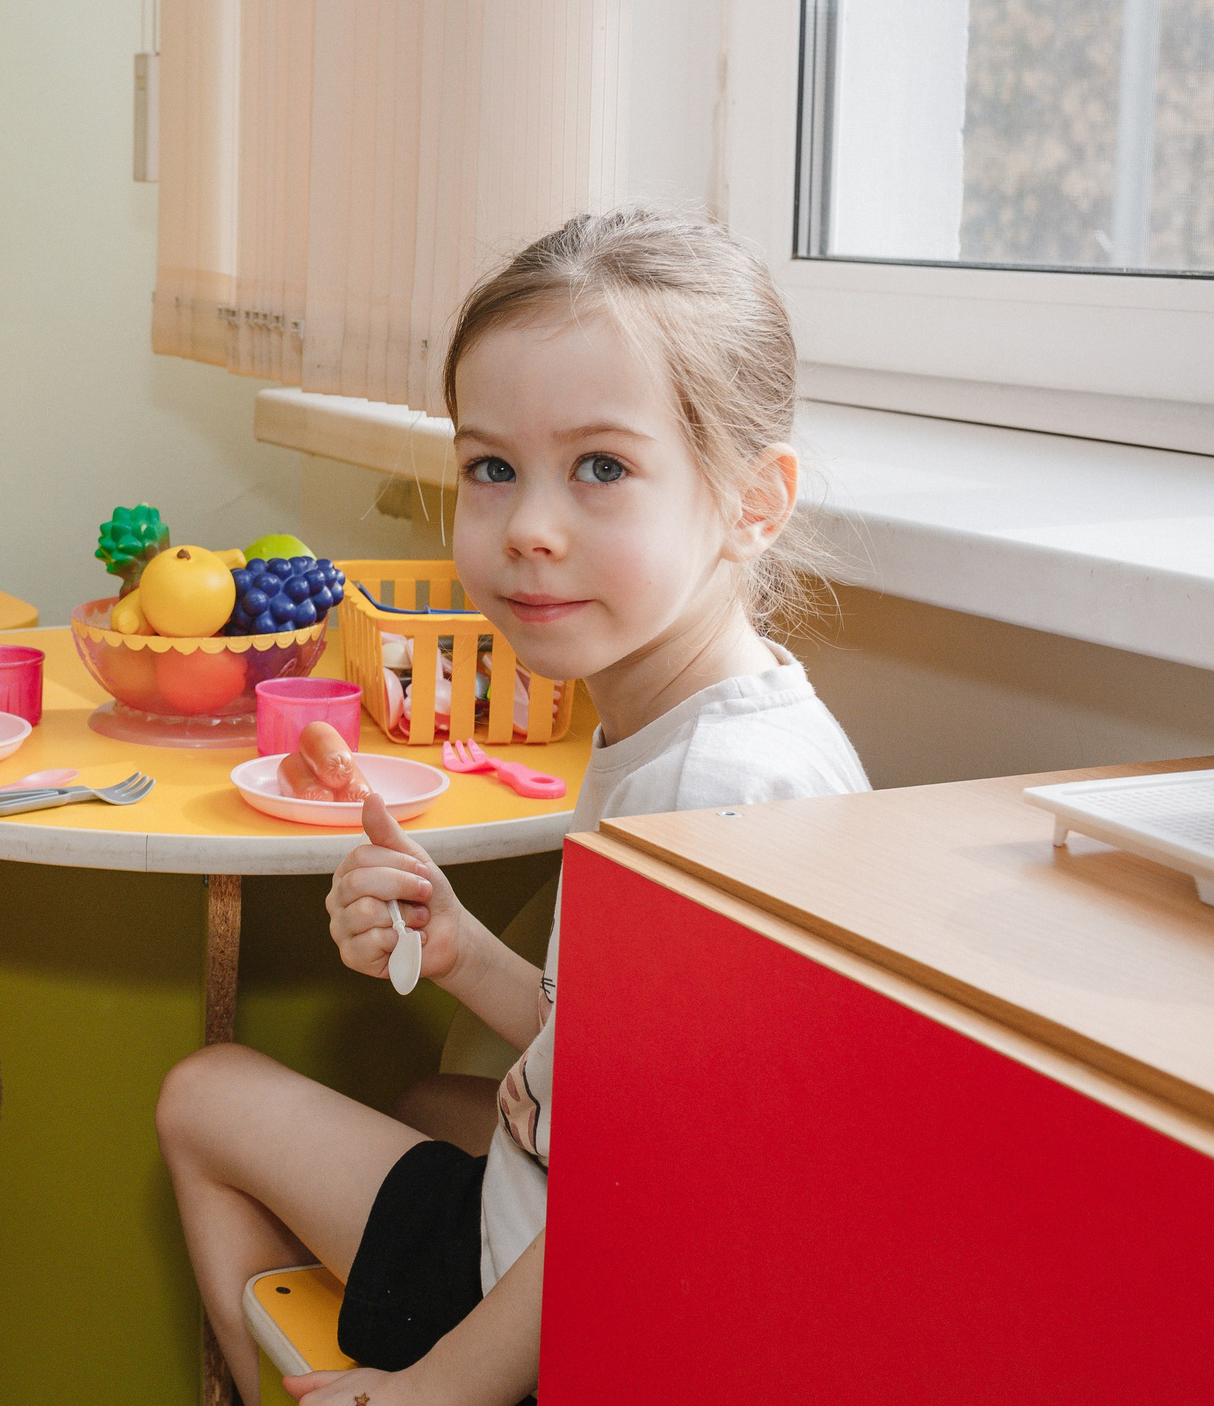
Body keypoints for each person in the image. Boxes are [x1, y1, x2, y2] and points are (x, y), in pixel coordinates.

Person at [157, 208, 869, 1406]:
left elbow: (649, 1188)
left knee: (204, 1092)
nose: (529, 528)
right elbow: (617, 1060)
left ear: (754, 502)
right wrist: (460, 949)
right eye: (492, 468)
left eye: (601, 468)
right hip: (573, 1229)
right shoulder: (683, 724)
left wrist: (437, 1390)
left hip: (568, 1293)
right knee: (426, 1101)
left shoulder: (712, 798)